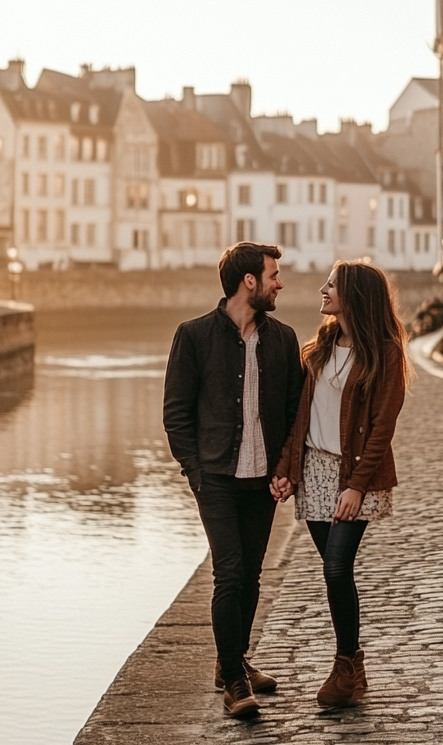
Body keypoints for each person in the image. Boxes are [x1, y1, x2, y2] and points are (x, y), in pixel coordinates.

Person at [163, 242, 303, 719]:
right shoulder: (194, 336)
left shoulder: (283, 340)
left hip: (261, 479)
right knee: (230, 573)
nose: (279, 282)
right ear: (249, 281)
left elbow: (292, 414)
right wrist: (196, 472)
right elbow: (176, 414)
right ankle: (234, 682)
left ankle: (233, 661)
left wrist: (286, 469)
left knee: (253, 575)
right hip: (217, 477)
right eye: (273, 274)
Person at [272, 261, 409, 710]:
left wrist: (354, 486)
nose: (322, 289)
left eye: (331, 284)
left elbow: (381, 427)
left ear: (354, 295)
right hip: (314, 471)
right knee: (337, 572)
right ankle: (355, 663)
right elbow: (300, 416)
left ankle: (344, 665)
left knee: (335, 567)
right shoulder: (319, 347)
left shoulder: (385, 352)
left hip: (355, 477)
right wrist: (289, 469)